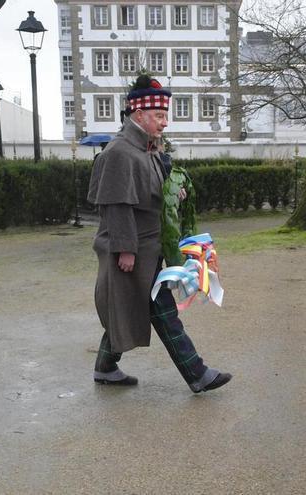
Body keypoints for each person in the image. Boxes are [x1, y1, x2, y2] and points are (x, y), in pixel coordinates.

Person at [87, 75, 231, 392]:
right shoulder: (120, 152)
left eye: (165, 115)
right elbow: (115, 205)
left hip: (149, 249)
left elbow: (149, 192)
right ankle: (197, 374)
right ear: (139, 115)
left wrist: (173, 193)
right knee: (160, 312)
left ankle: (105, 368)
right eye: (160, 116)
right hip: (133, 251)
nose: (165, 122)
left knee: (129, 310)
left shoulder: (146, 149)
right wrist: (125, 249)